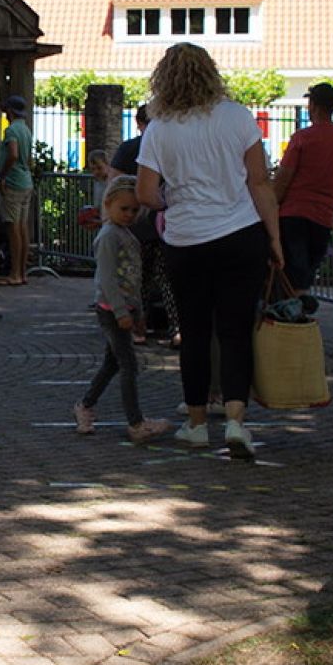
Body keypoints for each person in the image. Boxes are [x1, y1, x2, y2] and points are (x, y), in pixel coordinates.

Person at [135, 43, 282, 461]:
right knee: (236, 331)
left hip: (186, 240)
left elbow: (146, 193)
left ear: (164, 78)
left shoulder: (160, 128)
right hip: (240, 233)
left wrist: (173, 203)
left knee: (195, 334)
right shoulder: (237, 117)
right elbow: (259, 183)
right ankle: (236, 419)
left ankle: (196, 424)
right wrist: (274, 238)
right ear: (210, 73)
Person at [73, 176, 172, 441]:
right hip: (111, 310)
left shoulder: (126, 235)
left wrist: (137, 311)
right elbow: (107, 278)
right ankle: (135, 422)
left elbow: (133, 277)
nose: (129, 215)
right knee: (128, 364)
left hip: (124, 309)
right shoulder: (108, 237)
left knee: (112, 363)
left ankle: (85, 405)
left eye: (134, 210)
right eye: (124, 209)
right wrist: (120, 311)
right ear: (108, 204)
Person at [273, 83, 333, 293]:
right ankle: (301, 311)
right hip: (323, 215)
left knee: (290, 271)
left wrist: (270, 206)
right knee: (308, 270)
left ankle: (290, 316)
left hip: (292, 214)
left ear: (313, 106)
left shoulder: (302, 138)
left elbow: (283, 178)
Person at [114, 104, 180, 348]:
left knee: (137, 279)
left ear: (138, 122)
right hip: (166, 221)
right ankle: (176, 328)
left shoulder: (128, 148)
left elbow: (115, 185)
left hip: (136, 223)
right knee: (167, 279)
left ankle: (137, 329)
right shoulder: (170, 146)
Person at [0, 95, 34, 285]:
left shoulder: (11, 130)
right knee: (23, 227)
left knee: (13, 229)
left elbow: (12, 154)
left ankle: (14, 273)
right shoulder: (26, 129)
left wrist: (2, 176)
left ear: (10, 111)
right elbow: (28, 158)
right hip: (26, 181)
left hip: (13, 182)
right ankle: (23, 272)